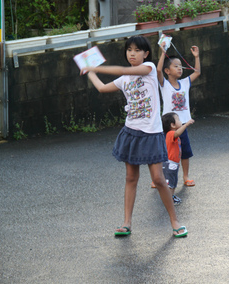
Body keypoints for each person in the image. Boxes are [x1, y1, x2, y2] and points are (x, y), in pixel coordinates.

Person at [80, 36, 188, 238]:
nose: (132, 53)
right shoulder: (124, 81)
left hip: (151, 133)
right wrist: (90, 71)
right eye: (129, 49)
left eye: (137, 50)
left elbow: (124, 70)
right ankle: (126, 223)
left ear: (146, 54)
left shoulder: (147, 69)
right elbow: (103, 88)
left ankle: (175, 221)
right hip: (131, 132)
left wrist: (97, 67)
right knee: (131, 178)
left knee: (158, 179)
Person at [155, 41, 201, 188]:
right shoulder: (165, 85)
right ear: (167, 71)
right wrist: (163, 53)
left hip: (182, 125)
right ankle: (159, 178)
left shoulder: (185, 82)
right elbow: (158, 71)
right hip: (168, 126)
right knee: (164, 153)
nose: (180, 68)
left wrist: (197, 57)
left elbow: (197, 72)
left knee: (185, 152)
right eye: (176, 66)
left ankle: (186, 177)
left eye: (180, 66)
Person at [161, 112, 195, 205]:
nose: (181, 121)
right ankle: (169, 199)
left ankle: (170, 197)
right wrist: (186, 124)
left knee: (173, 182)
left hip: (173, 163)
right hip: (170, 164)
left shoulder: (171, 133)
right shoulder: (171, 133)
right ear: (172, 125)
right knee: (171, 183)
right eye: (178, 120)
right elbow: (178, 132)